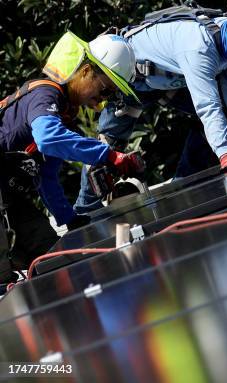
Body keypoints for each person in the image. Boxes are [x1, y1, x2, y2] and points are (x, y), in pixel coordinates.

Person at [74, 0, 227, 214]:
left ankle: (183, 187)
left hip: (169, 79)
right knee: (107, 145)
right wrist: (225, 154)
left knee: (223, 121)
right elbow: (207, 104)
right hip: (130, 81)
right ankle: (84, 212)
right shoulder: (199, 44)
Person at [0, 31, 144, 284]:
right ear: (86, 71)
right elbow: (47, 137)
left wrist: (70, 219)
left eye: (109, 95)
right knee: (4, 275)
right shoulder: (44, 95)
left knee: (50, 257)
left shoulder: (65, 113)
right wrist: (109, 155)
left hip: (9, 198)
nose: (103, 99)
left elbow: (46, 176)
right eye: (104, 89)